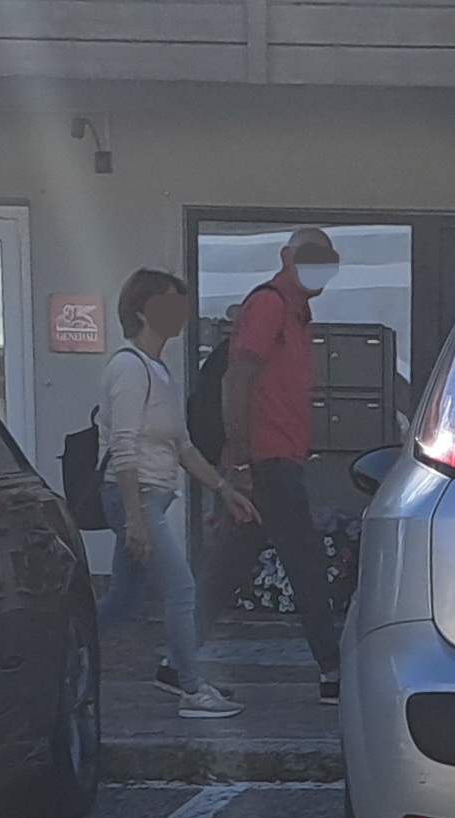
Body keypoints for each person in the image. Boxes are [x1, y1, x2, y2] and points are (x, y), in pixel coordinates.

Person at [96, 269, 260, 719]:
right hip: (138, 496)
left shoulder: (158, 370)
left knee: (123, 600)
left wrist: (224, 488)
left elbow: (182, 445)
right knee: (182, 589)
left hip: (149, 497)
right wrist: (134, 519)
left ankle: (60, 655)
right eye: (170, 304)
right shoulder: (129, 368)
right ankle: (192, 687)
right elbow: (123, 447)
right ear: (140, 311)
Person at [197, 228, 344, 703]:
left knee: (228, 567)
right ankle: (332, 671)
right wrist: (239, 461)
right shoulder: (271, 305)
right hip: (267, 464)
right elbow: (236, 382)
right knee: (305, 564)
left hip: (271, 462)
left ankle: (175, 659)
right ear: (287, 257)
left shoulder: (296, 311)